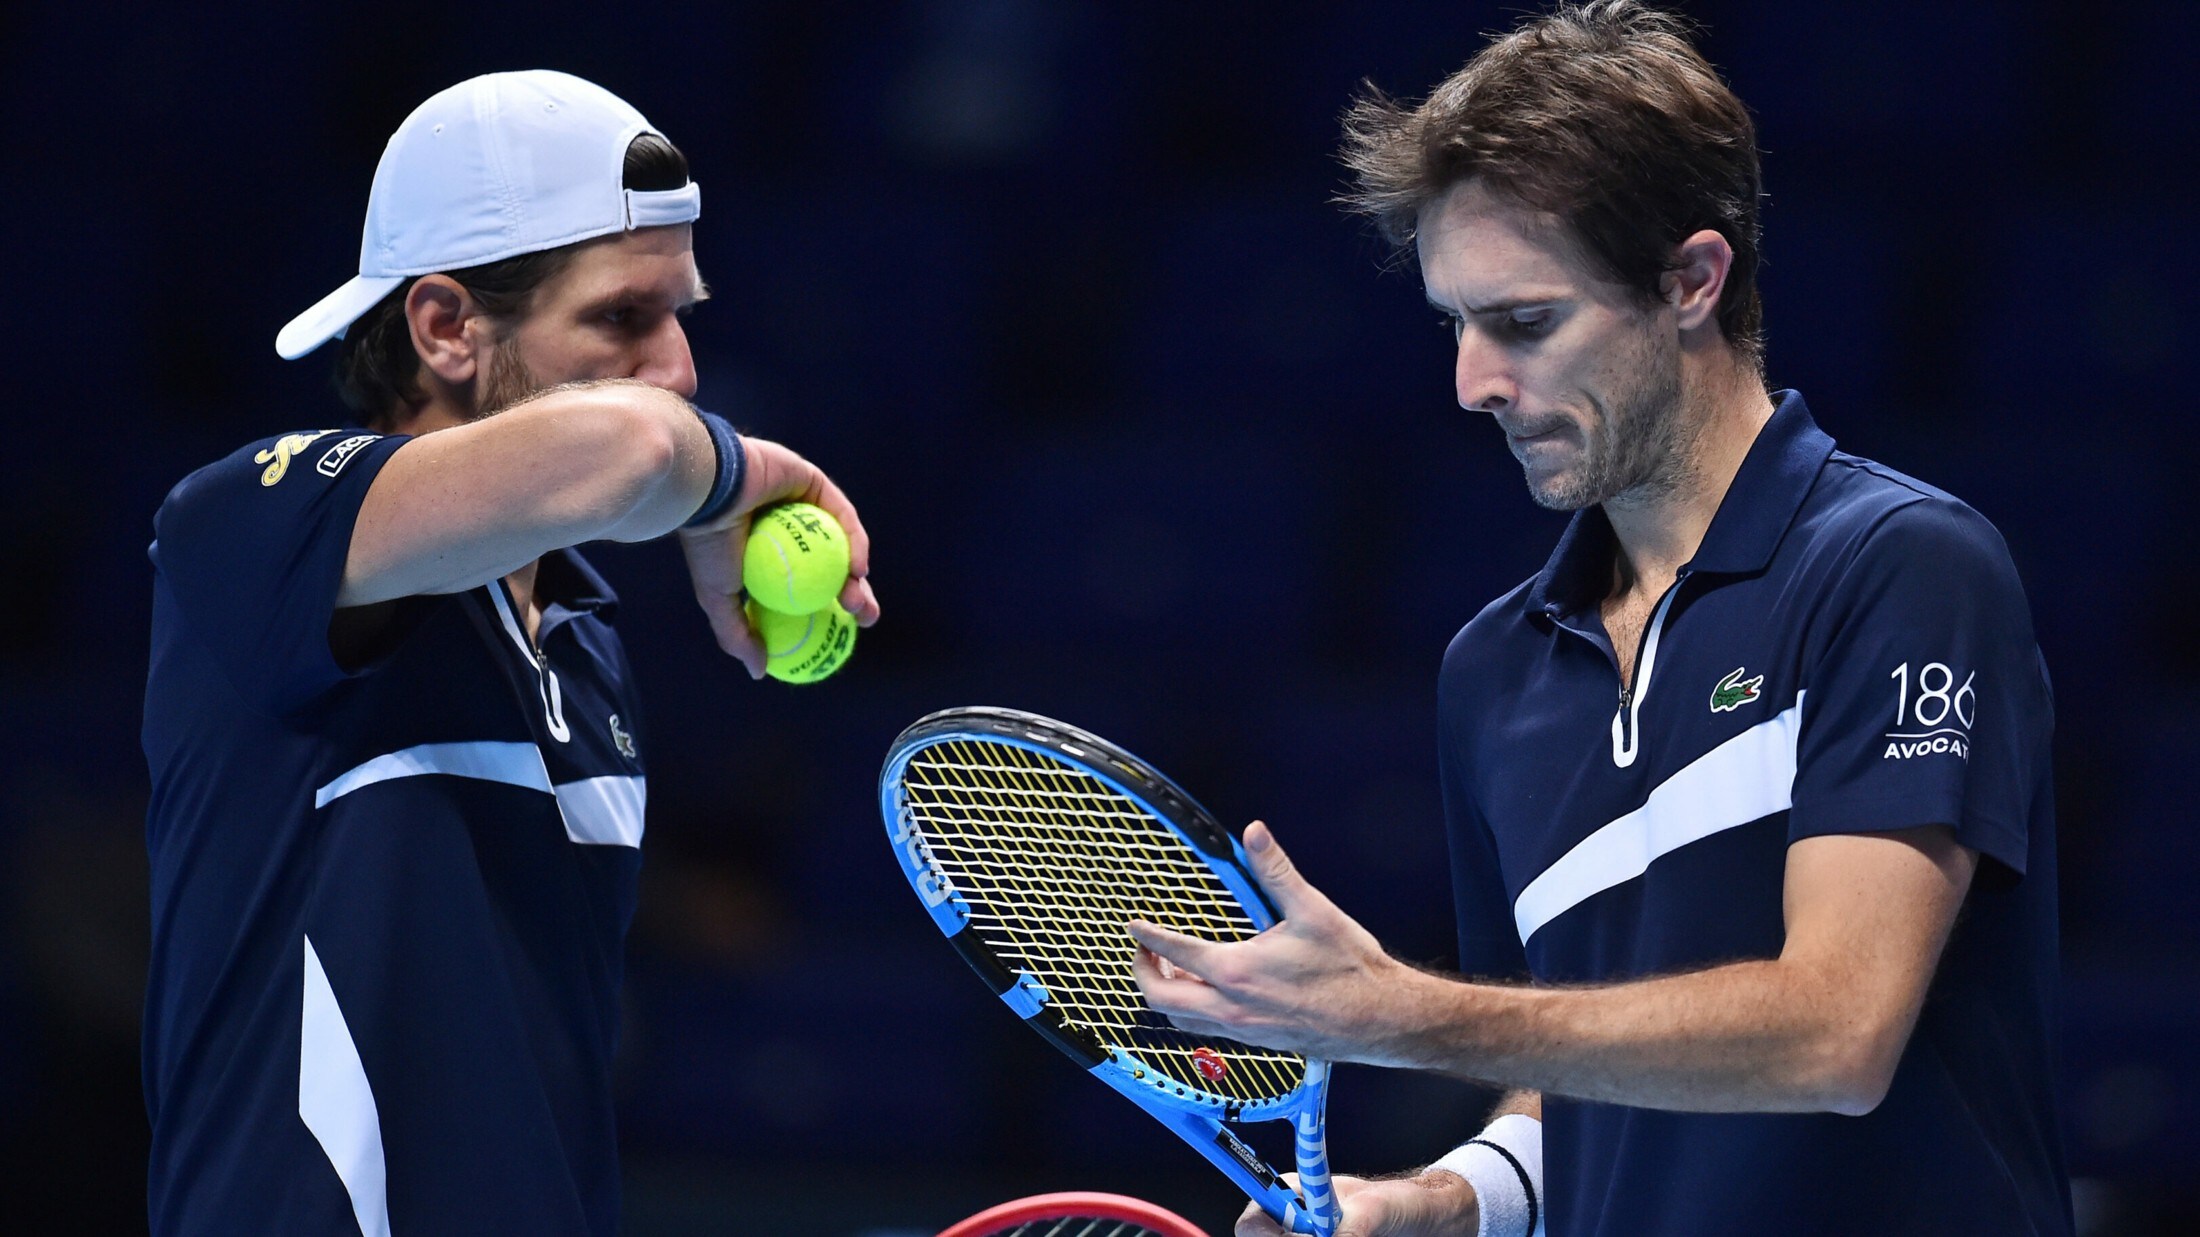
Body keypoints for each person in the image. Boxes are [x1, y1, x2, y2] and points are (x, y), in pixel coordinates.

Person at [1128, 5, 2071, 1235]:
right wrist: (1435, 1203)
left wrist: (1392, 1010)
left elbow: (1837, 1034)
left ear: (1691, 279)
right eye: (1455, 326)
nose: (1473, 383)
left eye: (1522, 323)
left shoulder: (1897, 569)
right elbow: (1567, 1084)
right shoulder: (1492, 674)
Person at [140, 71, 878, 1235]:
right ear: (443, 327)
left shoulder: (585, 647)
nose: (679, 368)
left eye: (680, 312)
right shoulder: (252, 532)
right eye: (622, 317)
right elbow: (639, 447)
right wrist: (727, 480)